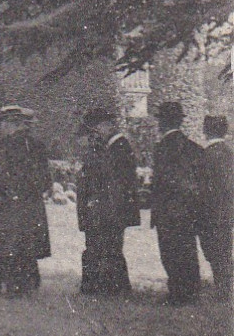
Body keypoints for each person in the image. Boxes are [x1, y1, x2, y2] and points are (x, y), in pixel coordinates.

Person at [0, 105, 53, 297]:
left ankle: (4, 284)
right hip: (22, 204)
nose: (1, 128)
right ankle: (23, 284)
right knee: (22, 244)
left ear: (11, 124)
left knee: (7, 244)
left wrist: (12, 187)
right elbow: (45, 179)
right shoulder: (31, 145)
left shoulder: (2, 146)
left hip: (12, 204)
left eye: (3, 124)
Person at [75, 106, 139, 296]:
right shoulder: (110, 147)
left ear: (106, 125)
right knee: (107, 247)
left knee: (109, 247)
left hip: (110, 208)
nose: (96, 133)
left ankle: (112, 287)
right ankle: (109, 286)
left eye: (97, 128)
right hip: (107, 207)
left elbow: (115, 181)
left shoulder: (118, 147)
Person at [150, 100, 204, 305]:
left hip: (167, 211)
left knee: (170, 253)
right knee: (188, 250)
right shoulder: (194, 148)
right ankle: (190, 292)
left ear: (162, 122)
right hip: (188, 211)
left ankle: (178, 294)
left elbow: (163, 182)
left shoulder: (162, 148)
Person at [196, 115, 232, 301]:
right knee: (223, 249)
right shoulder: (229, 153)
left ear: (206, 130)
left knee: (213, 250)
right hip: (226, 211)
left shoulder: (206, 155)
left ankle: (223, 289)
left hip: (209, 212)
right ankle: (225, 287)